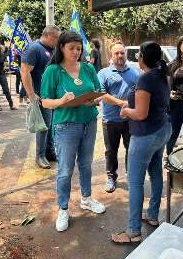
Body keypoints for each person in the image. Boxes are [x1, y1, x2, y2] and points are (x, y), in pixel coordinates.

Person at [40, 30, 105, 232]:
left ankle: (86, 199)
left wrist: (93, 100)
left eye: (79, 48)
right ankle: (63, 208)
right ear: (61, 48)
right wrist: (62, 101)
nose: (76, 52)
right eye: (71, 48)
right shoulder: (53, 71)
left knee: (86, 164)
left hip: (89, 122)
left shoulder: (88, 68)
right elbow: (46, 101)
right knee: (65, 170)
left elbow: (98, 91)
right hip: (65, 126)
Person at [111, 41, 171, 244]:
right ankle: (152, 215)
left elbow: (140, 113)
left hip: (146, 135)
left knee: (135, 182)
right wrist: (131, 104)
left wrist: (126, 111)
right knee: (155, 173)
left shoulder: (146, 78)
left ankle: (133, 232)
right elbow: (151, 103)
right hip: (161, 130)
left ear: (141, 57)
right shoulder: (161, 74)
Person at [96, 41, 140, 193]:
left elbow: (140, 93)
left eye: (122, 53)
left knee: (131, 149)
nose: (120, 56)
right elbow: (102, 94)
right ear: (111, 55)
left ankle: (130, 175)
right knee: (111, 151)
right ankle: (111, 177)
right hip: (110, 120)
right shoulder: (103, 73)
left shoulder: (135, 73)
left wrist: (131, 105)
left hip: (130, 120)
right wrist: (122, 103)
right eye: (117, 53)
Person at [21, 25, 60, 169]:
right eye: (57, 37)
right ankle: (40, 156)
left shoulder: (52, 49)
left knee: (50, 125)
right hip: (40, 96)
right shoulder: (34, 48)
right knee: (43, 127)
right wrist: (31, 95)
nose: (58, 41)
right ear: (48, 35)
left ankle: (50, 153)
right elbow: (25, 71)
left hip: (52, 96)